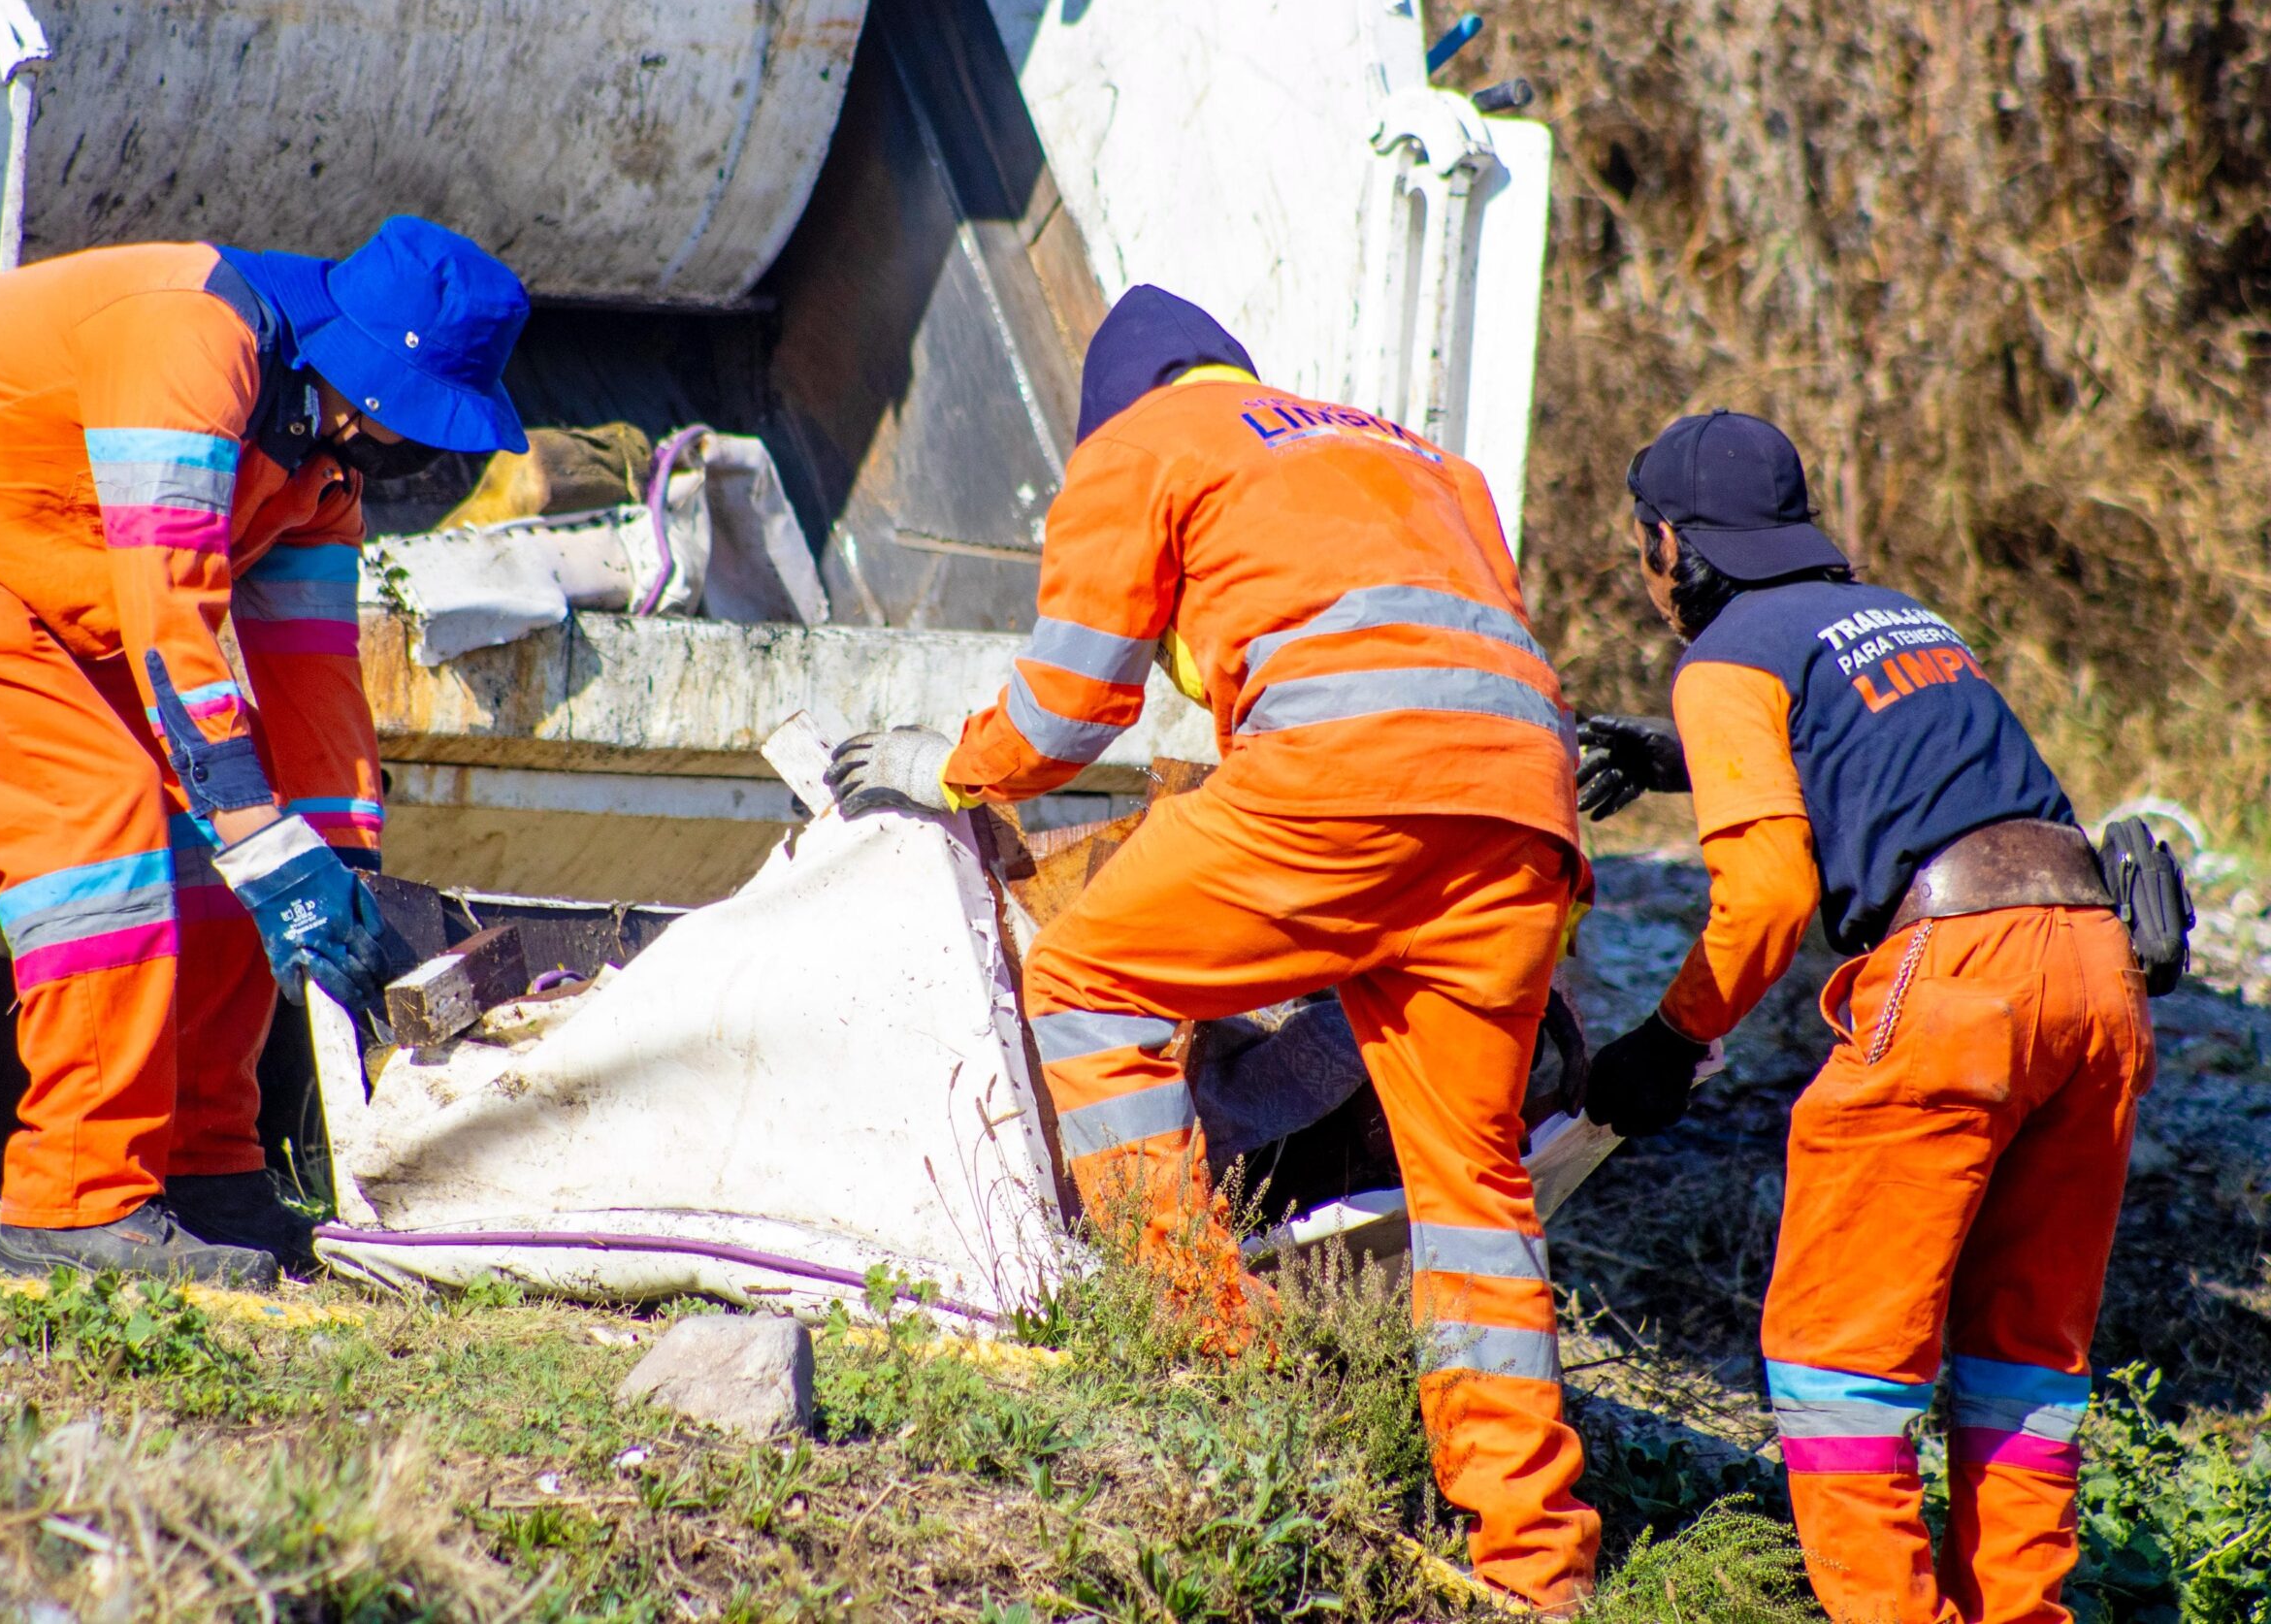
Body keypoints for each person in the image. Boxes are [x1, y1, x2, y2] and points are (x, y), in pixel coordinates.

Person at [828, 286, 1600, 1613]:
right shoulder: (1422, 461)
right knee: (1475, 1188)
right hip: (1523, 818)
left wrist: (943, 766)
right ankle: (1536, 1562)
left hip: (1346, 790)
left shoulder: (1145, 446)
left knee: (1089, 979)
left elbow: (1070, 705)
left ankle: (1201, 1358)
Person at [0, 216, 532, 1287]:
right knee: (96, 821)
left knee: (229, 832)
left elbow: (315, 676)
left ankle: (203, 1169)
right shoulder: (194, 341)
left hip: (22, 575)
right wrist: (259, 831)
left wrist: (343, 867)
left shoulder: (322, 466)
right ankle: (74, 1208)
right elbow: (169, 604)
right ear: (364, 374)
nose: (415, 447)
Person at [1577, 410, 2153, 1624]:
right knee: (2020, 1363)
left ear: (1670, 545)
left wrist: (1669, 1040)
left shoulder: (1725, 652)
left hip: (1954, 977)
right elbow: (1892, 756)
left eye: (1643, 549)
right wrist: (1681, 754)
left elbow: (1771, 899)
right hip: (2095, 969)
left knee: (1838, 1361)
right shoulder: (1905, 615)